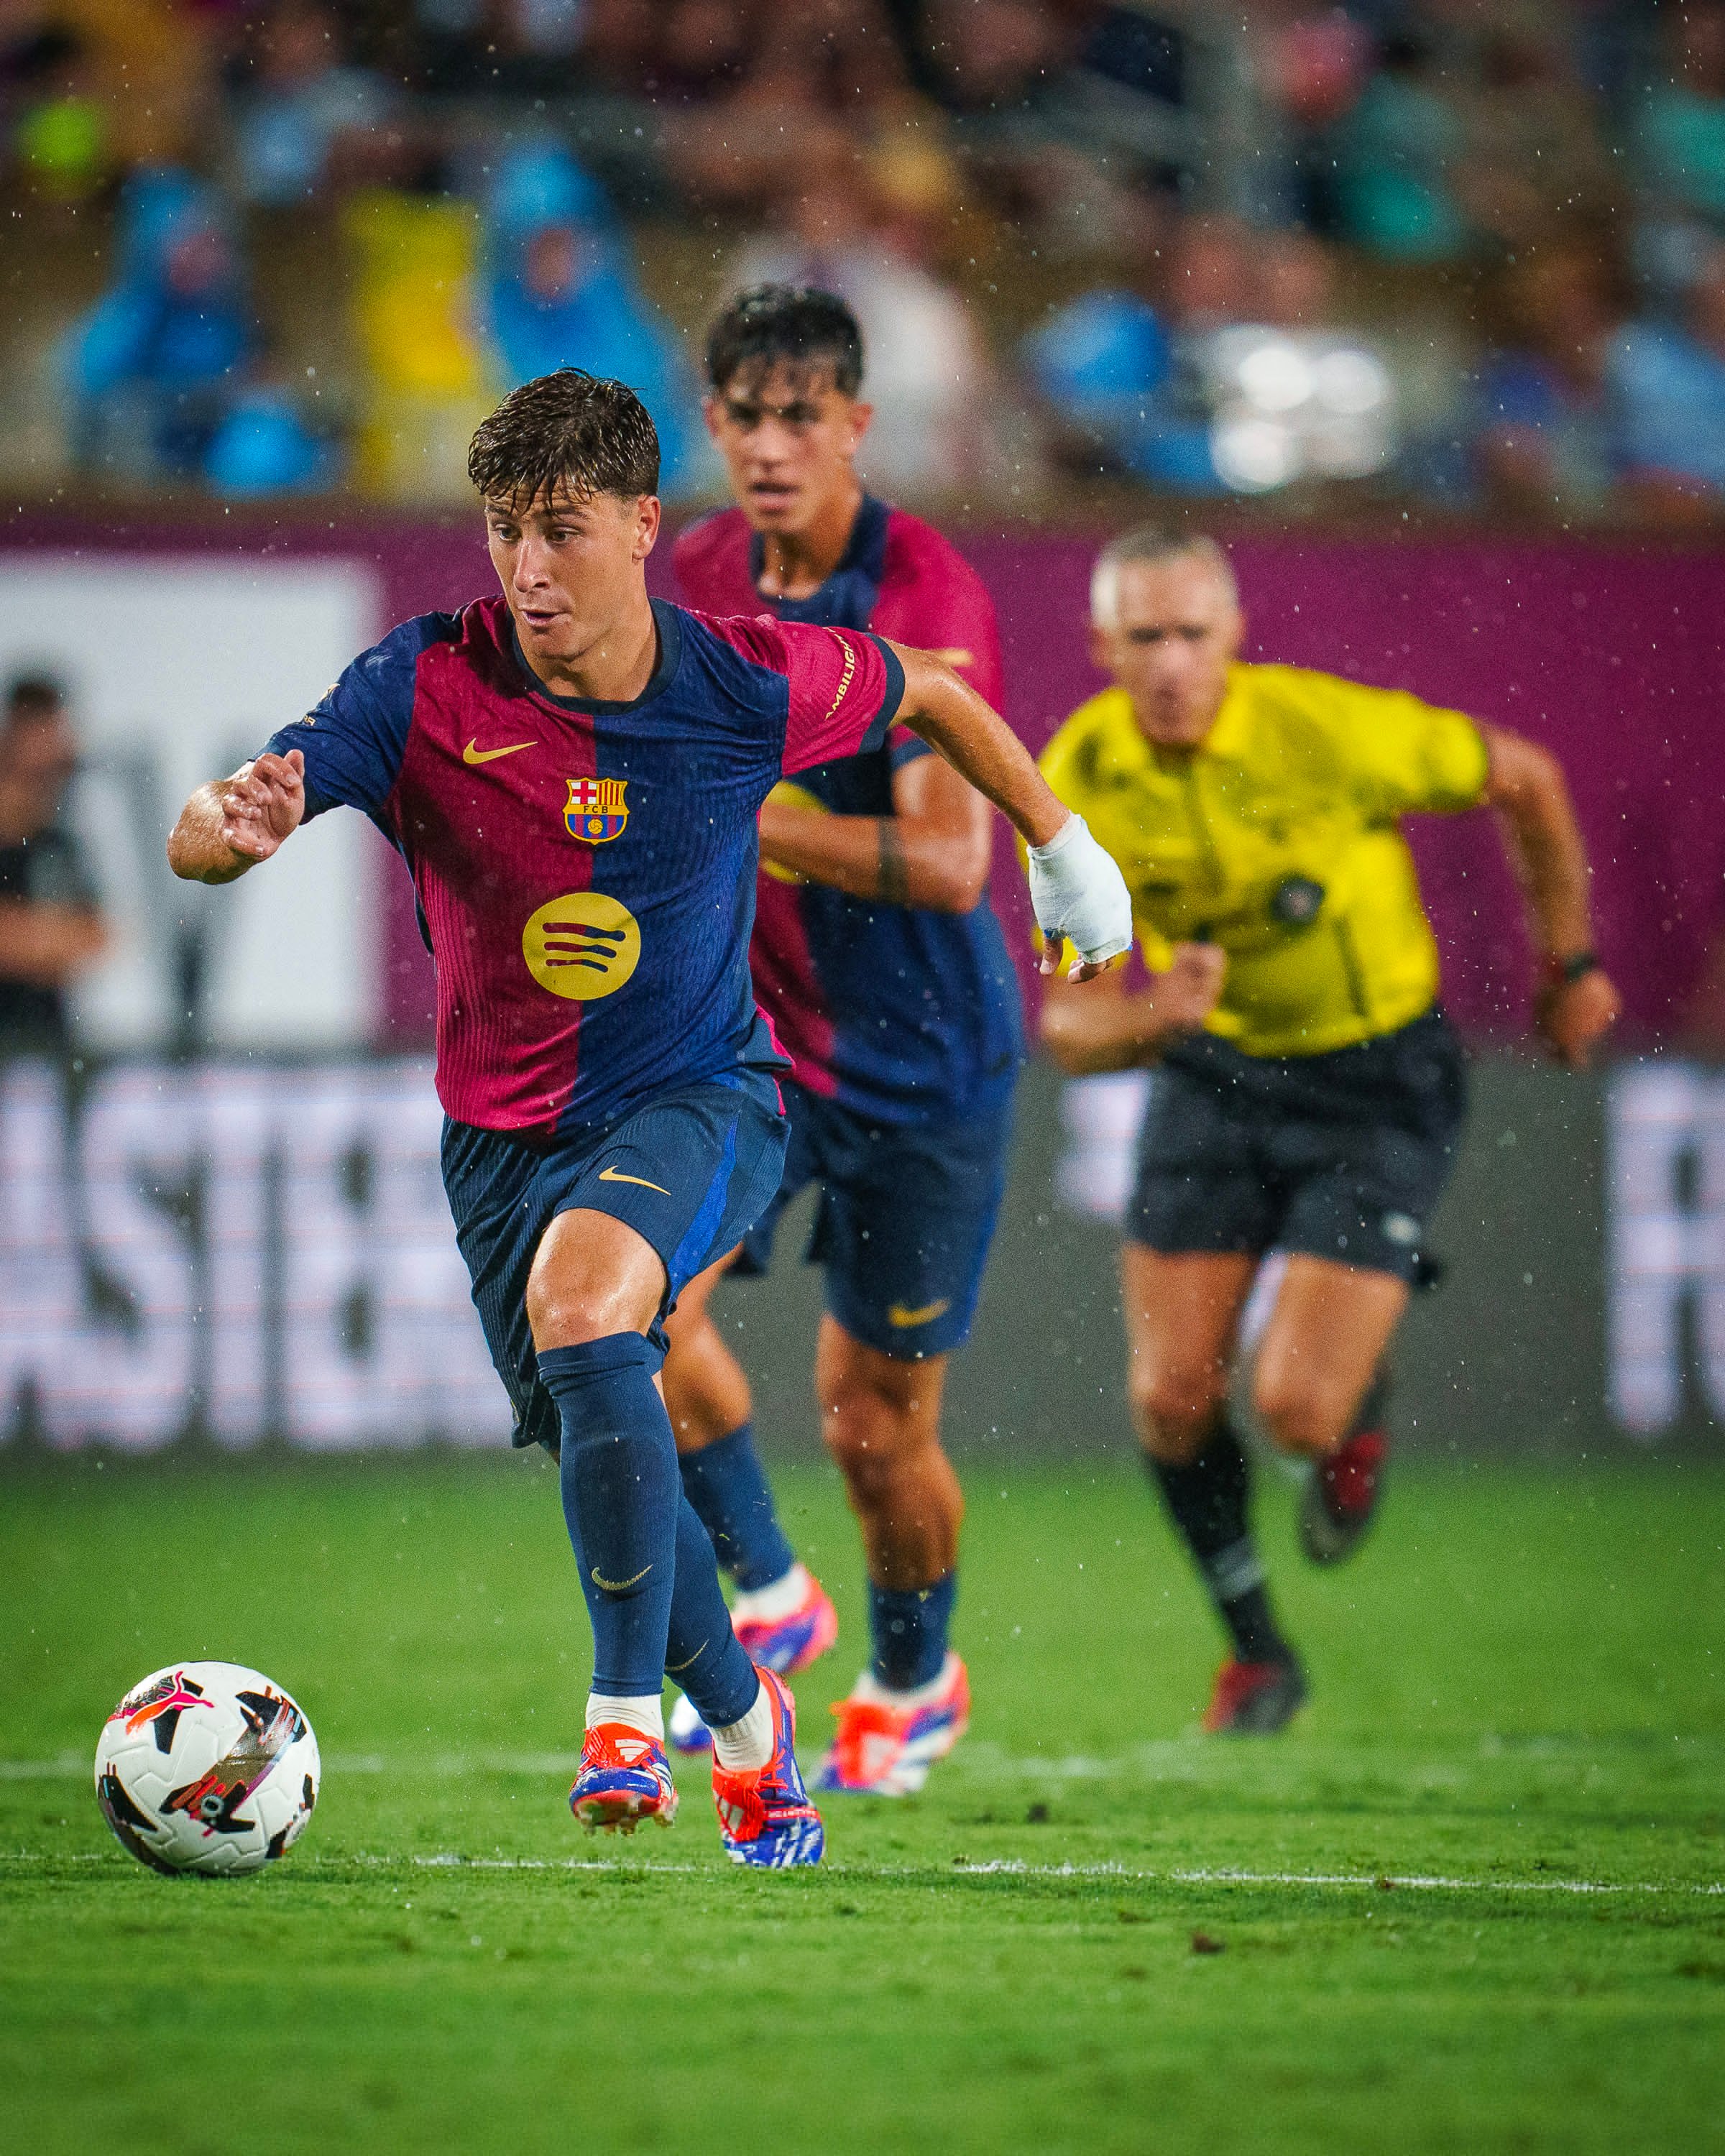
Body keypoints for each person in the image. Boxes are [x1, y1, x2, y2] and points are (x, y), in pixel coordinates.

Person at [166, 367, 1131, 1860]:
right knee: (600, 1431)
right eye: (504, 530)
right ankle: (748, 1729)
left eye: (561, 529)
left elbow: (934, 689)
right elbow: (213, 827)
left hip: (702, 1097)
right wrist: (229, 829)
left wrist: (1062, 848)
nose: (529, 568)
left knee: (585, 1308)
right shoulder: (423, 685)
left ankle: (622, 1718)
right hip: (499, 1145)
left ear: (638, 524)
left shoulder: (739, 683)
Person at [1038, 526, 1620, 1735]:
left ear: (1234, 636)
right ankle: (1258, 1655)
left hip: (1375, 1080)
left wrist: (1567, 965)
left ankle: (1353, 1397)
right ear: (1100, 645)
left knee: (1296, 1411)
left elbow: (1526, 778)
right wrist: (1153, 1017)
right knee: (1170, 1401)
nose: (1171, 663)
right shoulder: (1076, 774)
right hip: (1212, 1076)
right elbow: (1071, 1024)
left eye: (1192, 634)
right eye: (1144, 636)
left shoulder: (1324, 731)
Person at [658, 286, 1022, 1794]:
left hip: (925, 1066)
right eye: (745, 416)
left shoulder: (923, 593)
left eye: (800, 416)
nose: (769, 445)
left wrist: (746, 813)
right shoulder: (692, 571)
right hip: (753, 1050)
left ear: (858, 426)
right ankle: (765, 1592)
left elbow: (948, 861)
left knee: (874, 1428)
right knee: (626, 1319)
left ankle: (915, 1674)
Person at [0, 675, 108, 1060]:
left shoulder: (56, 841)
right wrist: (50, 940)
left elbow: (99, 935)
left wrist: (27, 939)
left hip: (45, 1047)